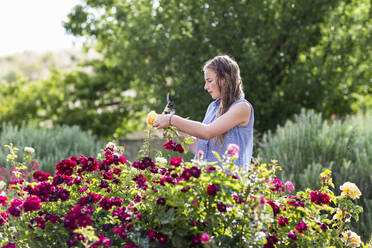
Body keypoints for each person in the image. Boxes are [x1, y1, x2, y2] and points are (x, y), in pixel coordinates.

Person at [153, 55, 254, 168]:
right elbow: (199, 148)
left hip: (228, 183)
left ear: (224, 79)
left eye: (209, 81)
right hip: (205, 181)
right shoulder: (213, 107)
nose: (205, 87)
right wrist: (175, 127)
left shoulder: (242, 107)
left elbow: (207, 132)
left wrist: (171, 119)